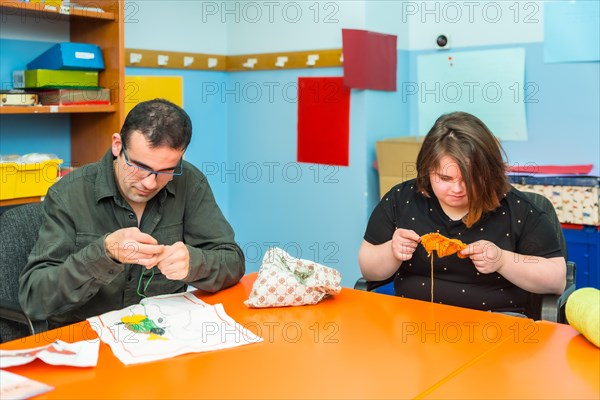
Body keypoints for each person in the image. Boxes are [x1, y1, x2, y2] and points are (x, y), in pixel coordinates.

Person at [19, 99, 245, 328]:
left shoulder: (190, 182)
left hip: (163, 335)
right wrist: (104, 254)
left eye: (166, 171)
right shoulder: (68, 194)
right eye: (139, 166)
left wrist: (194, 263)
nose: (149, 182)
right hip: (87, 340)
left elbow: (233, 261)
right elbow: (35, 298)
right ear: (117, 145)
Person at [358, 111, 566, 315]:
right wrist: (392, 251)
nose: (458, 189)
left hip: (495, 326)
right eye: (445, 178)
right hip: (413, 324)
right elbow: (368, 270)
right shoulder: (401, 199)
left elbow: (556, 280)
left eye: (470, 179)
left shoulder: (519, 210)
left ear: (489, 172)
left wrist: (503, 261)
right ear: (426, 169)